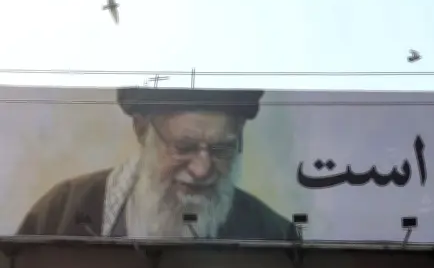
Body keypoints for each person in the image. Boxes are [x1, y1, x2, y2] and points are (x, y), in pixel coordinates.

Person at [17, 87, 297, 240]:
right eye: (184, 148)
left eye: (220, 149)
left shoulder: (274, 237)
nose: (202, 170)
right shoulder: (60, 214)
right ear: (142, 130)